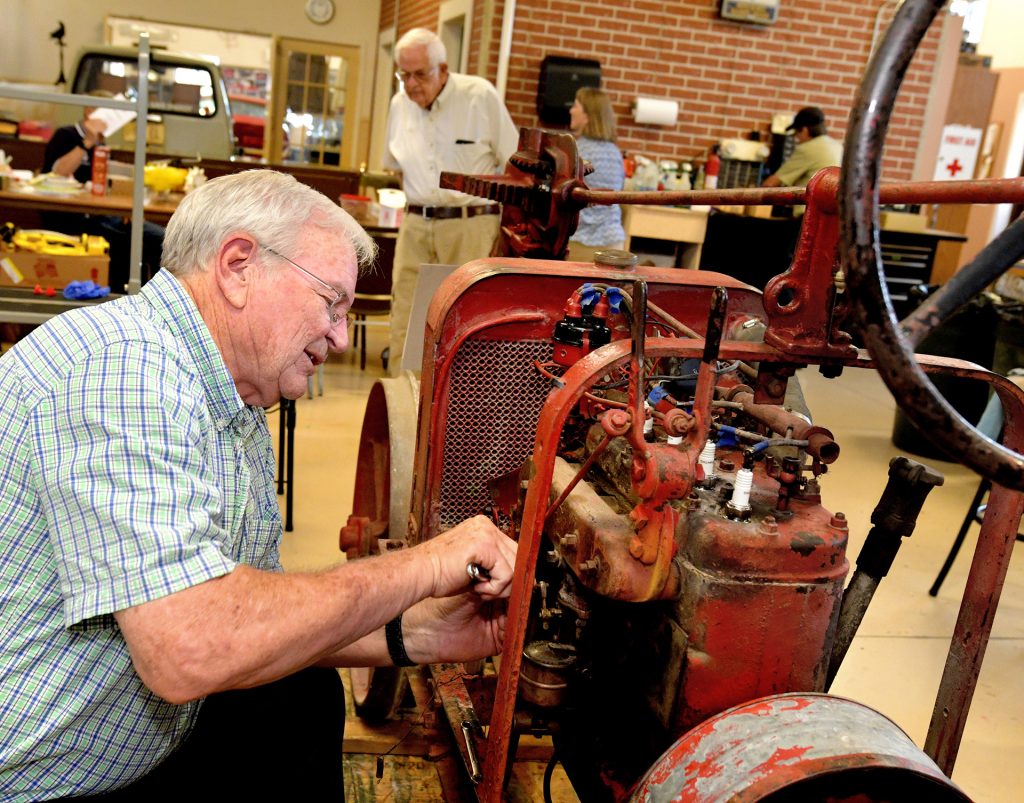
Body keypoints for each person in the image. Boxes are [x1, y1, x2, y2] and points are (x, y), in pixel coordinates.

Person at [0, 169, 517, 800]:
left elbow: (260, 621)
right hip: (41, 783)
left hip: (142, 734)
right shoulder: (124, 372)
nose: (336, 336)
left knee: (297, 698)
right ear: (238, 266)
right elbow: (191, 649)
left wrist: (421, 633)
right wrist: (429, 564)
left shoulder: (230, 403)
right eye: (331, 303)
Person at [383, 27, 519, 375]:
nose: (411, 84)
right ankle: (403, 404)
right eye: (404, 75)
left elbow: (514, 165)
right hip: (415, 223)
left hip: (469, 223)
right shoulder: (400, 106)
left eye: (420, 74)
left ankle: (460, 409)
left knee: (468, 316)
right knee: (406, 316)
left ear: (443, 70)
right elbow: (395, 168)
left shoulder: (478, 96)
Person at [41, 98, 166, 291]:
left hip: (103, 215)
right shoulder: (66, 135)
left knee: (164, 239)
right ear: (90, 112)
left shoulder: (102, 144)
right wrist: (87, 142)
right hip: (73, 218)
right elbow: (58, 172)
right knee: (129, 244)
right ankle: (122, 295)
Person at [566, 87, 626, 262]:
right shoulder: (615, 153)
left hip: (580, 244)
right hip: (613, 243)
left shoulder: (576, 150)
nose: (571, 110)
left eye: (575, 106)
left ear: (588, 115)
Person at [761, 106, 843, 194]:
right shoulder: (837, 146)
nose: (796, 138)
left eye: (796, 133)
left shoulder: (808, 149)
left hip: (808, 206)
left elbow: (770, 184)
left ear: (804, 130)